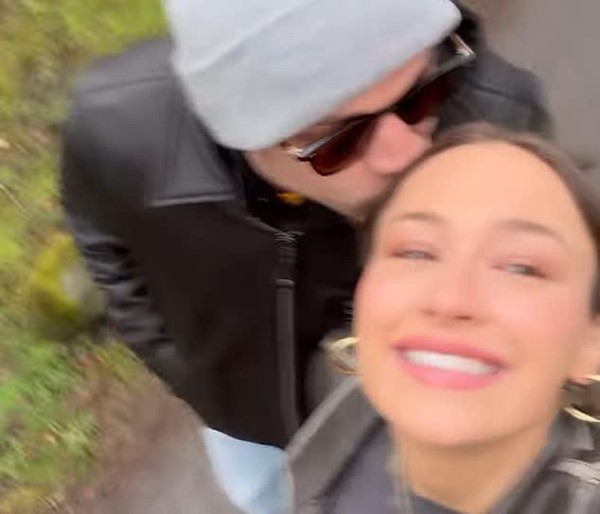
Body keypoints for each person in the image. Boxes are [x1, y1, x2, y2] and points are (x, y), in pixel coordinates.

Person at [60, 0, 550, 512]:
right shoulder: (117, 129)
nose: (404, 154)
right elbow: (105, 248)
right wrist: (194, 378)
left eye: (422, 95)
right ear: (241, 136)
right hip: (249, 430)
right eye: (339, 141)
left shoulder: (499, 116)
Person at [299, 123, 600, 513]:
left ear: (591, 342)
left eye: (522, 268)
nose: (450, 299)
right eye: (415, 252)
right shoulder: (340, 402)